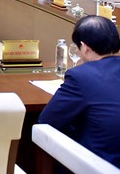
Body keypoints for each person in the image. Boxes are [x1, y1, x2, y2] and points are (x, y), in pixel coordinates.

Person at [38, 16, 120, 168]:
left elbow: (47, 121)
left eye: (77, 47)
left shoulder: (81, 76)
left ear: (85, 47)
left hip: (100, 164)